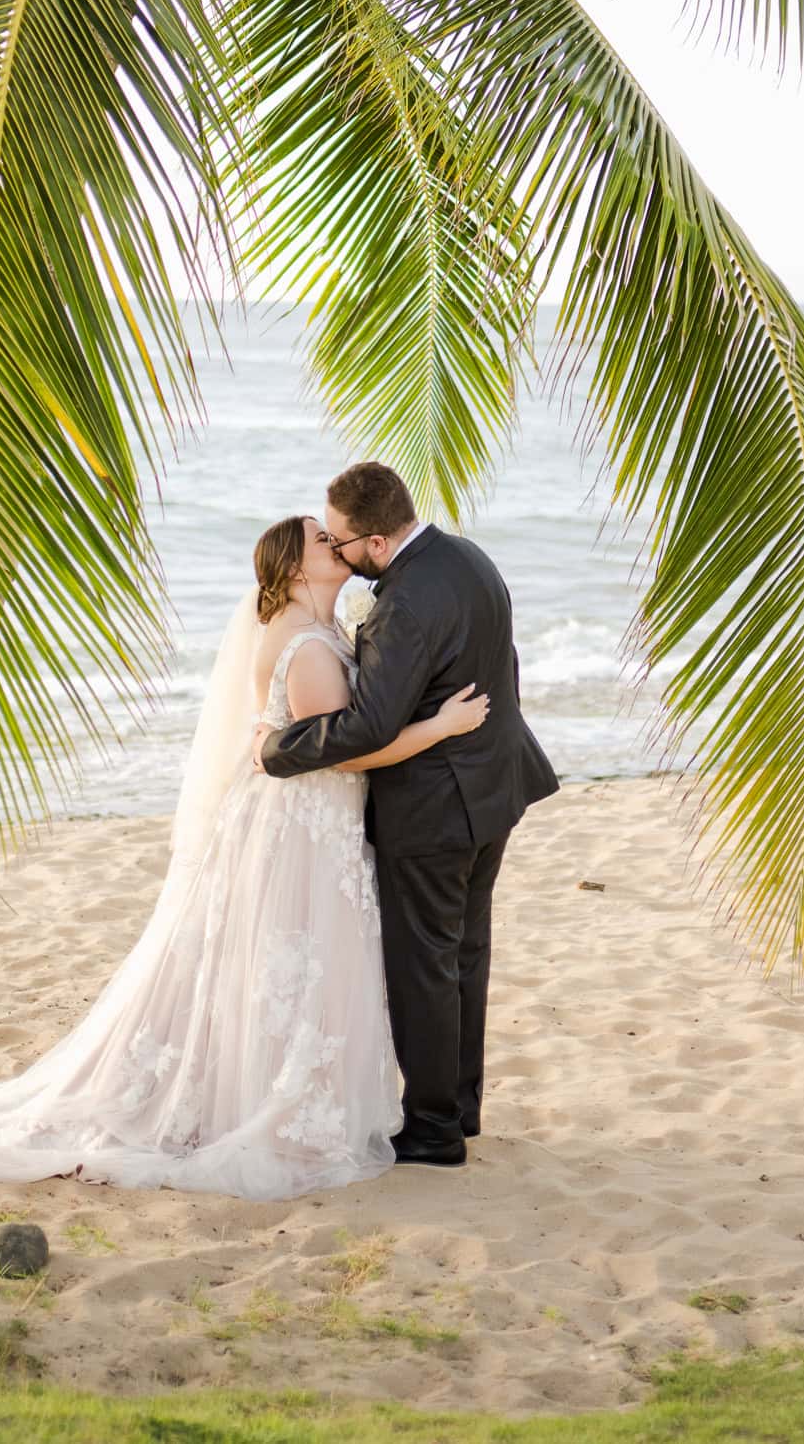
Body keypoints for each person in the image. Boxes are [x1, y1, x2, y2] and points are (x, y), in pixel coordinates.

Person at [0, 513, 488, 1199]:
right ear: (298, 570)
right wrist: (440, 727)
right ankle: (263, 1103)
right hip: (298, 827)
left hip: (317, 827)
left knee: (299, 964)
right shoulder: (305, 646)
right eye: (319, 540)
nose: (334, 545)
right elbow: (347, 753)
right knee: (292, 957)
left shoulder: (327, 630)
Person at [258, 462, 559, 1167]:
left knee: (424, 963)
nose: (335, 552)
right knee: (463, 954)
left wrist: (278, 748)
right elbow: (501, 662)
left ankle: (432, 1129)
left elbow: (364, 729)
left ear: (379, 544)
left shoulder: (405, 603)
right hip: (493, 790)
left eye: (341, 541)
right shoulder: (467, 557)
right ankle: (460, 1106)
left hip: (435, 809)